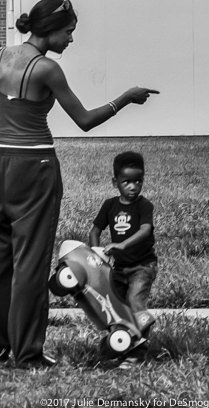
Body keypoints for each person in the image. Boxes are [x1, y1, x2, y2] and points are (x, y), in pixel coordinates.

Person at [0, 0, 158, 368]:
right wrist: (125, 98)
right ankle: (27, 354)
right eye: (69, 32)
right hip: (35, 166)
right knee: (31, 262)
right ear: (50, 30)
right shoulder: (47, 69)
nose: (71, 39)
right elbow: (85, 120)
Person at [89, 151, 157, 370]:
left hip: (142, 267)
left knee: (136, 304)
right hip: (118, 269)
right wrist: (96, 252)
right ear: (115, 182)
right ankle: (120, 346)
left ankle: (137, 355)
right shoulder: (110, 206)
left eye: (138, 181)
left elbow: (146, 230)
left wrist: (122, 244)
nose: (133, 186)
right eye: (126, 182)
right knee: (114, 308)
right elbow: (95, 230)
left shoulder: (143, 205)